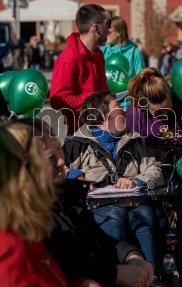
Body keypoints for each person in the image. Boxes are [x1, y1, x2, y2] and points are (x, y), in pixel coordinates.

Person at [6, 117, 154, 287]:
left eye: (58, 151)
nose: (61, 161)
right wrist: (112, 274)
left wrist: (133, 256)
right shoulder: (18, 221)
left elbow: (98, 240)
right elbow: (64, 261)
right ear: (25, 167)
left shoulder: (68, 198)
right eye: (50, 157)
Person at [63, 90, 164, 276]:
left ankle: (152, 275)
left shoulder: (132, 141)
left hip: (134, 200)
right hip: (99, 204)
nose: (124, 111)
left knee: (143, 216)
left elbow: (155, 170)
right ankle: (114, 276)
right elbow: (56, 168)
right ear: (104, 116)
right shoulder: (77, 143)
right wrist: (74, 175)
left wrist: (136, 181)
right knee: (114, 214)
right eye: (118, 106)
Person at [0, 121, 66, 286]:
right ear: (22, 173)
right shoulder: (9, 249)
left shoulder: (27, 229)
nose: (61, 162)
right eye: (49, 158)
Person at [50, 4, 110, 134]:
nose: (110, 29)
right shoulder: (67, 59)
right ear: (96, 27)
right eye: (108, 23)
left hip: (103, 126)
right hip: (80, 132)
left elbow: (101, 90)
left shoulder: (98, 54)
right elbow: (57, 99)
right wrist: (95, 102)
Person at [126, 68, 182, 161]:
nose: (165, 115)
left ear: (170, 95)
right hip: (154, 165)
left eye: (169, 109)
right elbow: (132, 150)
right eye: (158, 113)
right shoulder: (135, 114)